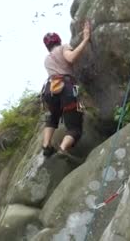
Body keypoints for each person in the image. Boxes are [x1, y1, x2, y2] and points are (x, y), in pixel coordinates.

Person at [40, 21, 91, 157]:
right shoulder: (63, 48)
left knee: (53, 117)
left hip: (50, 90)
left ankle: (46, 146)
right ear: (59, 40)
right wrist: (85, 40)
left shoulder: (47, 59)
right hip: (66, 89)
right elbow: (71, 57)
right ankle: (62, 149)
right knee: (74, 128)